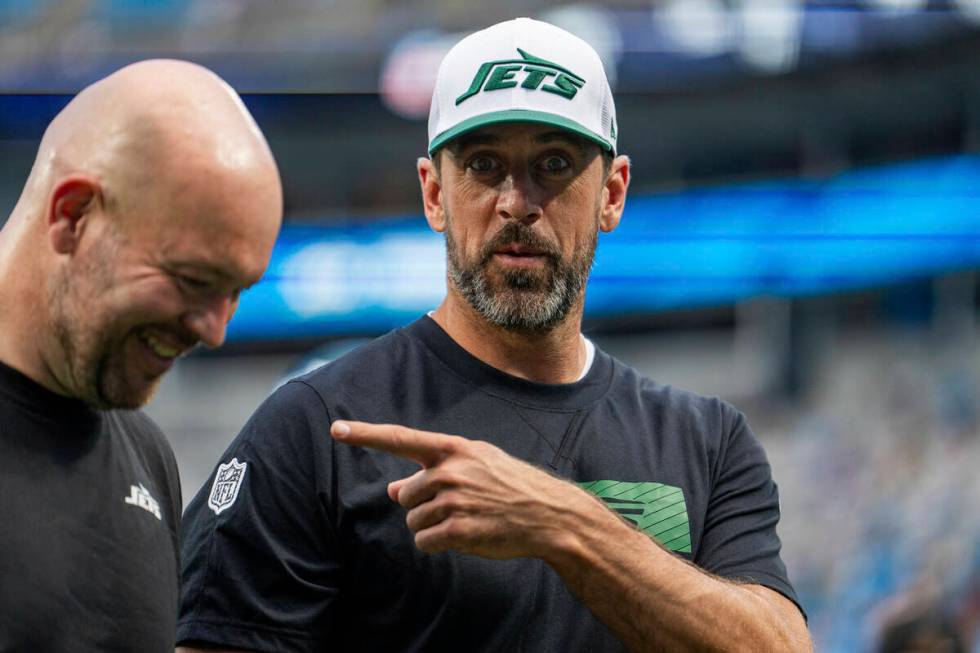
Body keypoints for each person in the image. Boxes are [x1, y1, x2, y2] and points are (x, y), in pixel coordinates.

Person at [177, 18, 810, 652]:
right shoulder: (319, 428)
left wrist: (566, 523)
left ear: (612, 194)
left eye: (553, 163)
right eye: (484, 165)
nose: (516, 202)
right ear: (433, 194)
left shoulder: (707, 441)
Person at [0, 60, 282, 651]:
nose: (215, 331)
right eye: (191, 278)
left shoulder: (146, 456)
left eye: (236, 291)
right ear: (73, 215)